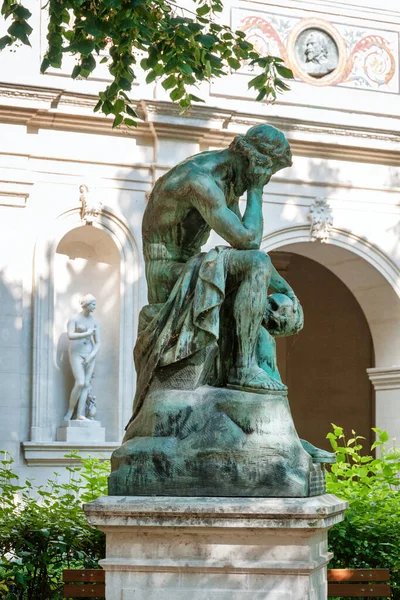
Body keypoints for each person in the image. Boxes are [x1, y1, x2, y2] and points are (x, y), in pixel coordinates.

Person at [128, 125, 298, 425]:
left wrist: (290, 294)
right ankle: (243, 369)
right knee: (255, 263)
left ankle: (276, 426)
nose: (267, 180)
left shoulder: (226, 179)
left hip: (190, 269)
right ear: (254, 162)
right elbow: (249, 241)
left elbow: (244, 245)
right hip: (168, 275)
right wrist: (257, 190)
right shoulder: (200, 180)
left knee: (260, 333)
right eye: (268, 173)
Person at [64, 294, 101, 421]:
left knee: (86, 384)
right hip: (76, 352)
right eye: (93, 304)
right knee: (79, 382)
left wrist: (91, 356)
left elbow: (98, 342)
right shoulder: (74, 318)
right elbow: (70, 335)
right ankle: (70, 412)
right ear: (86, 304)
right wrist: (86, 333)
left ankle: (80, 414)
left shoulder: (94, 321)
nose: (95, 307)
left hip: (89, 353)